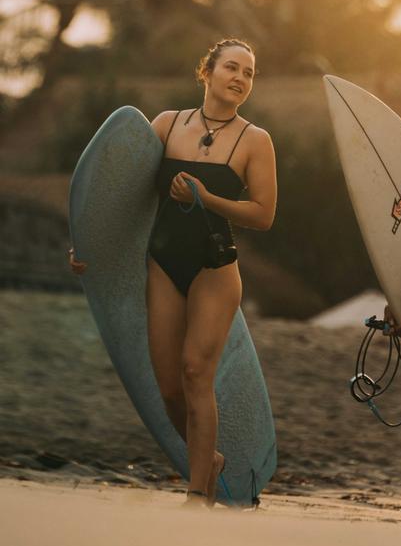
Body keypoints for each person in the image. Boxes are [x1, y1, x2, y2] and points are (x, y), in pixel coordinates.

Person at [70, 38, 277, 507]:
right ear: (207, 71)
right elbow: (125, 198)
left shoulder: (255, 140)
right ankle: (212, 460)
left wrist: (207, 198)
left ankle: (197, 493)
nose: (240, 79)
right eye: (232, 67)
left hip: (215, 266)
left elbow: (263, 214)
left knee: (194, 372)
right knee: (168, 390)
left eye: (249, 73)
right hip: (164, 264)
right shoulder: (167, 125)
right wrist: (90, 246)